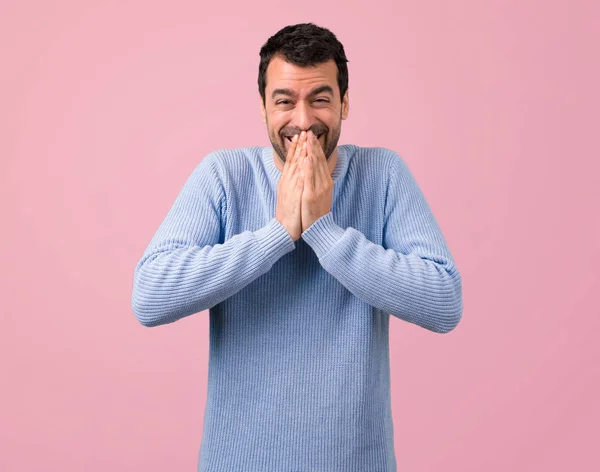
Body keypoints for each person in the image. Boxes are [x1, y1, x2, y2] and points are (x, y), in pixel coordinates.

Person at [131, 22, 463, 472]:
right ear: (264, 108)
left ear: (344, 103)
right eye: (285, 101)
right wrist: (278, 233)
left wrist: (324, 232)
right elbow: (150, 295)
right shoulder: (224, 175)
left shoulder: (383, 174)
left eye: (320, 99)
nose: (303, 121)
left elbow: (443, 301)